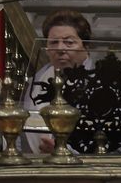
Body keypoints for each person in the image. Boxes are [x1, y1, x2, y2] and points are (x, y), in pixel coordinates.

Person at [21, 9, 93, 154]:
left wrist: (63, 151)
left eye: (69, 42)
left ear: (86, 46)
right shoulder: (36, 81)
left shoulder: (101, 83)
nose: (60, 49)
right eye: (53, 42)